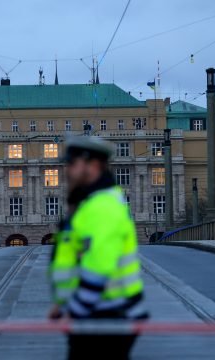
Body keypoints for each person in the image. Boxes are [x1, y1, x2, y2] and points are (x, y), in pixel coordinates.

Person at [48, 136, 148, 360]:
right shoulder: (90, 203)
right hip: (99, 313)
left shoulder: (102, 207)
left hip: (107, 315)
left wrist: (75, 311)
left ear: (92, 165)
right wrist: (62, 303)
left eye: (72, 164)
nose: (66, 171)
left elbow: (98, 267)